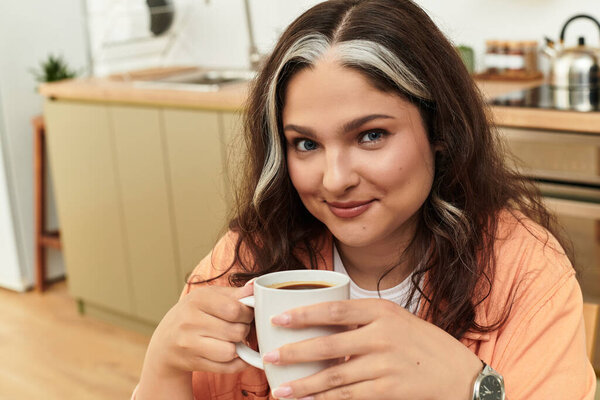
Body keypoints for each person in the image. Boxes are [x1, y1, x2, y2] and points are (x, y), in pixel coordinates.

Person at [135, 0, 597, 399]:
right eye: (306, 144)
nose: (335, 180)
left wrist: (474, 387)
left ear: (439, 131)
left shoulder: (525, 269)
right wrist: (162, 365)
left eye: (371, 135)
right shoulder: (249, 257)